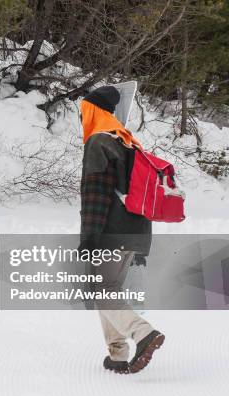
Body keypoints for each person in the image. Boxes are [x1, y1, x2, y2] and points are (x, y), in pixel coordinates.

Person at [78, 86, 165, 374]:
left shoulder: (98, 142)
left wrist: (89, 239)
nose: (81, 117)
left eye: (84, 111)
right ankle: (117, 355)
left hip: (112, 232)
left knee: (103, 290)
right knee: (108, 289)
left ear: (94, 111)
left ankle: (143, 333)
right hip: (135, 230)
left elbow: (96, 195)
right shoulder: (127, 141)